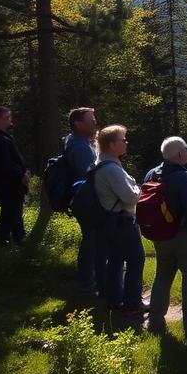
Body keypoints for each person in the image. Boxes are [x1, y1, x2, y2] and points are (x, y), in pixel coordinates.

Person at [145, 136, 187, 333]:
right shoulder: (185, 178)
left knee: (162, 277)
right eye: (186, 149)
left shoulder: (151, 174)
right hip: (185, 236)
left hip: (160, 235)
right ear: (181, 154)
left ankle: (155, 321)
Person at [94, 125, 148, 315]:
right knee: (136, 260)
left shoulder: (103, 163)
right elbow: (131, 197)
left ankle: (115, 300)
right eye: (123, 140)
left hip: (111, 222)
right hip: (122, 222)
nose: (126, 143)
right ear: (111, 144)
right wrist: (138, 189)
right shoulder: (111, 169)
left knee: (116, 260)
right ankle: (133, 303)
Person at [64, 107, 105, 295]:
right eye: (91, 118)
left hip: (84, 201)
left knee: (93, 240)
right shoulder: (80, 148)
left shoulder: (74, 141)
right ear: (79, 124)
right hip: (88, 201)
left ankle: (93, 279)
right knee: (92, 240)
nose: (95, 121)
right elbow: (90, 176)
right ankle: (87, 283)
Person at [0, 106, 30, 246]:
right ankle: (3, 243)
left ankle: (19, 240)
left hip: (13, 183)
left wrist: (24, 172)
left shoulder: (3, 136)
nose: (10, 120)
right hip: (7, 184)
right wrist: (21, 175)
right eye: (7, 118)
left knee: (15, 212)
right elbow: (4, 164)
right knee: (9, 213)